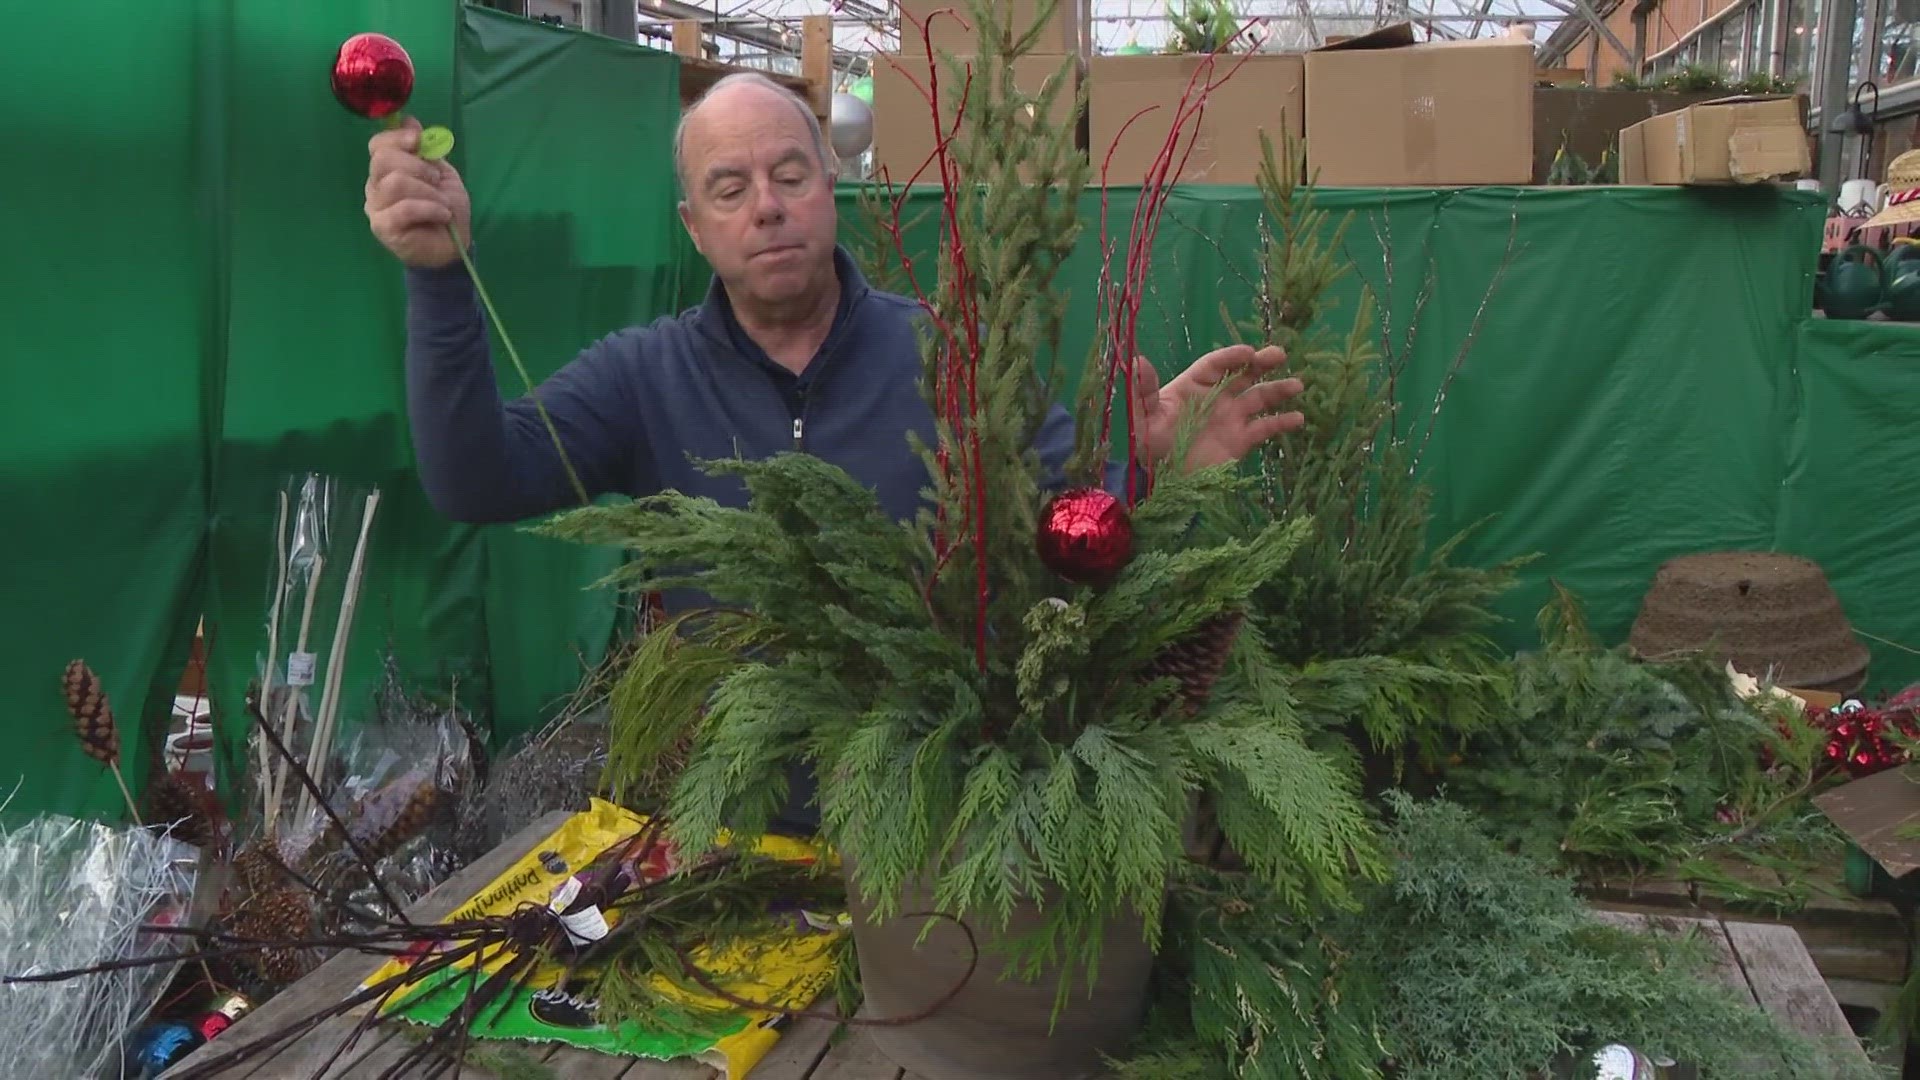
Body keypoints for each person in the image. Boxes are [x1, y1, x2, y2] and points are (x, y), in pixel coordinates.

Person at [365, 72, 1306, 829]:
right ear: (693, 227)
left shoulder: (952, 356)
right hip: (739, 831)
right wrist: (442, 286)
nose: (766, 208)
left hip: (941, 829)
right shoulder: (642, 377)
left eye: (789, 176)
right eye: (729, 189)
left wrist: (1142, 473)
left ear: (831, 187)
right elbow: (472, 478)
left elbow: (1064, 528)